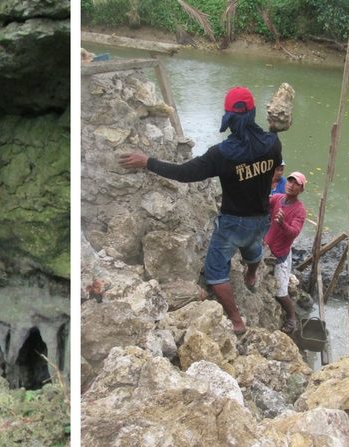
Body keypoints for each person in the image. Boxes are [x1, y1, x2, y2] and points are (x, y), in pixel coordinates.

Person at [118, 86, 283, 334]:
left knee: (215, 271)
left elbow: (185, 173)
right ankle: (251, 275)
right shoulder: (273, 144)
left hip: (232, 223)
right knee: (253, 247)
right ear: (253, 114)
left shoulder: (221, 154)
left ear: (228, 119)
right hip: (261, 218)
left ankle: (237, 321)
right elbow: (269, 150)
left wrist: (148, 162)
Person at [265, 171, 307, 333]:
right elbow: (264, 202)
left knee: (281, 293)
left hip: (281, 254)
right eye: (290, 181)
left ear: (301, 189)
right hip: (269, 247)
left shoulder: (299, 210)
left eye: (296, 184)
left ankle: (291, 318)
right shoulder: (278, 198)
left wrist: (282, 223)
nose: (291, 185)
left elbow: (294, 232)